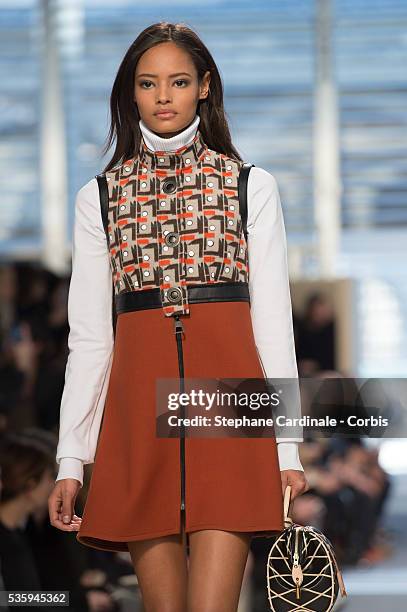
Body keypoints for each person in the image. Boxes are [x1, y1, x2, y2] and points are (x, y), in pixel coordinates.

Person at [49, 21, 309, 610]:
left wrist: (286, 449)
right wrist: (71, 458)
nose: (163, 96)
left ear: (205, 88)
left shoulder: (249, 187)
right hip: (139, 416)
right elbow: (90, 338)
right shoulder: (101, 197)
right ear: (131, 94)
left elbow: (272, 326)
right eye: (148, 83)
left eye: (179, 81)